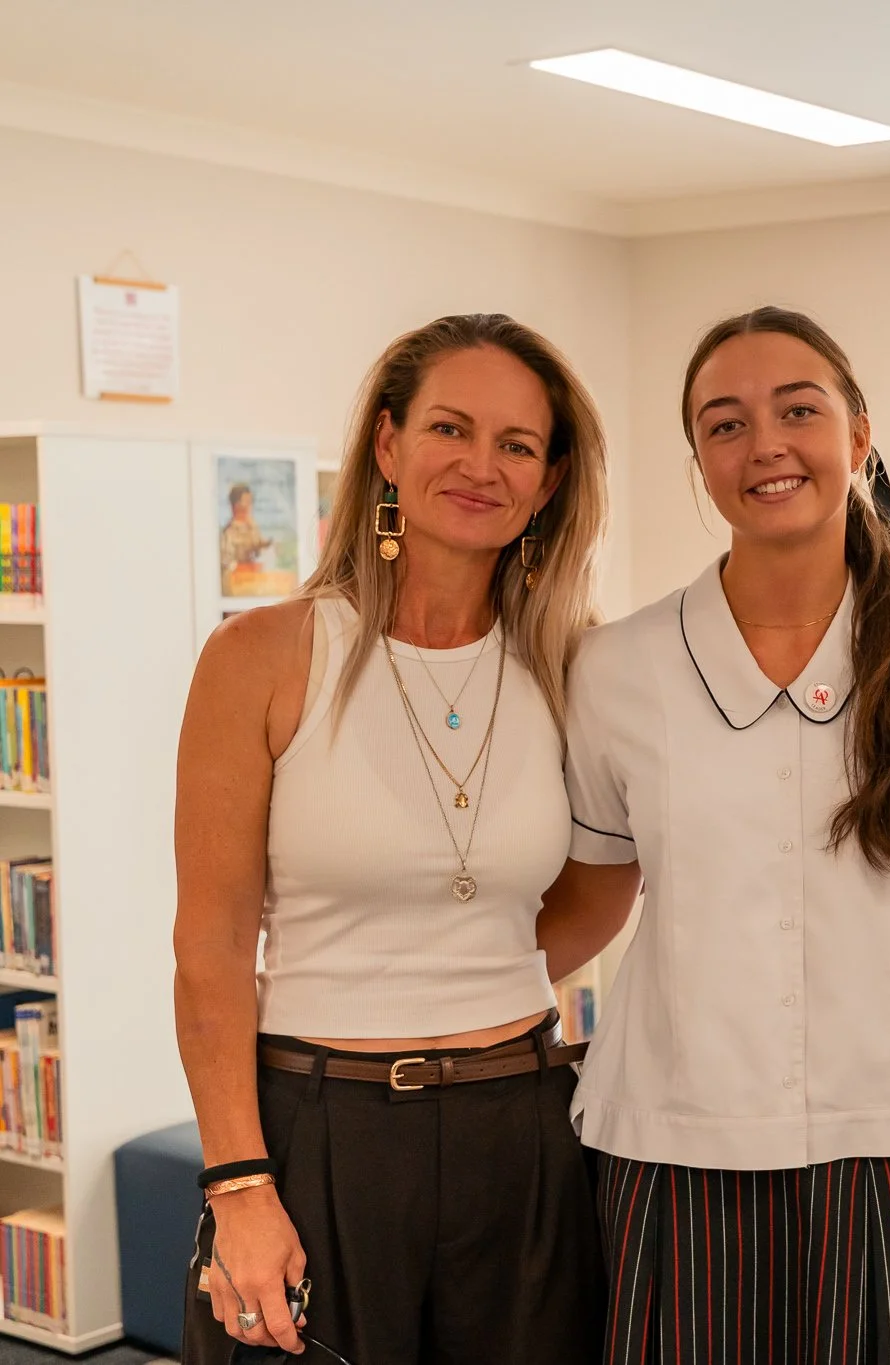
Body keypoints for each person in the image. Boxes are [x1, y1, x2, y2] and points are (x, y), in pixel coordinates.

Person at [538, 306, 890, 1364]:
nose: (765, 446)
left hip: (889, 1147)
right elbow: (592, 895)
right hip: (672, 1143)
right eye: (724, 423)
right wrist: (412, 997)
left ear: (858, 433)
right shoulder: (618, 669)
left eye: (798, 410)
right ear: (699, 460)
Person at [174, 314, 610, 1363]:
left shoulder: (579, 669)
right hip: (319, 1130)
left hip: (524, 1126)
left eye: (517, 445)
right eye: (449, 429)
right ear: (386, 446)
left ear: (549, 483)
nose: (480, 465)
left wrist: (459, 980)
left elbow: (605, 885)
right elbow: (212, 947)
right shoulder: (262, 656)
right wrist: (239, 1187)